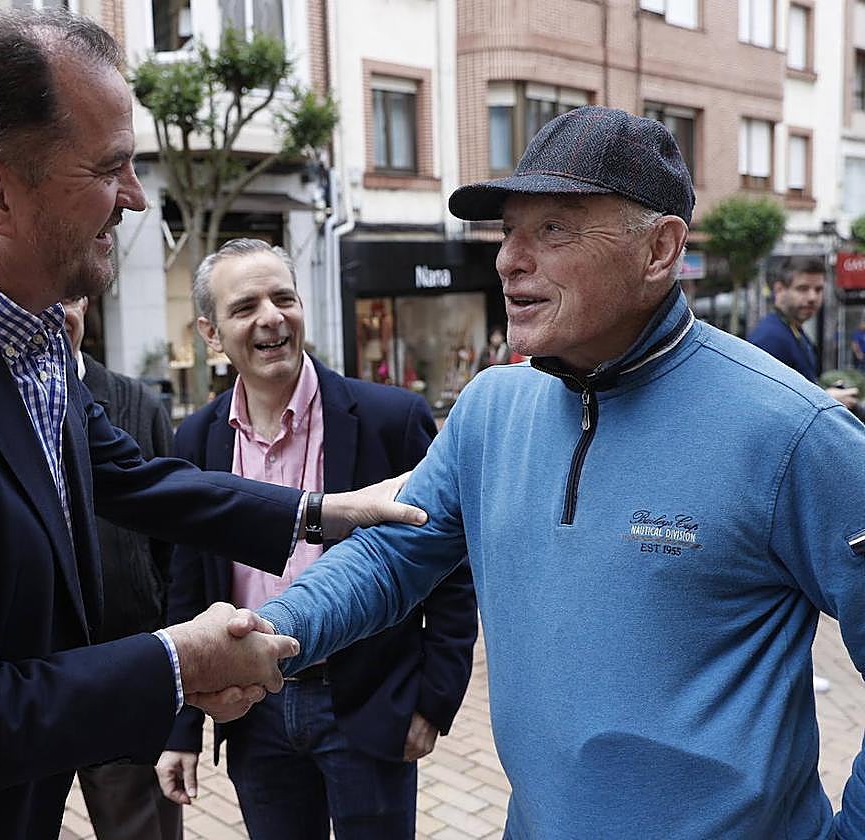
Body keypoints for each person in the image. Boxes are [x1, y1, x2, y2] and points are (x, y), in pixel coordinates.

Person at [0, 10, 425, 840]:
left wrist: (323, 510)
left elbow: (124, 473)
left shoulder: (15, 313)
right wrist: (181, 662)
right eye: (110, 168)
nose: (132, 198)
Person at [255, 105, 865, 838]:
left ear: (660, 250)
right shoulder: (488, 409)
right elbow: (390, 558)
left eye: (553, 229)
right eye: (509, 230)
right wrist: (274, 631)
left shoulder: (792, 432)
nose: (510, 259)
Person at [155, 240, 477, 839]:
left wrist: (434, 699)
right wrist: (182, 731)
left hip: (368, 703)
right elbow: (187, 585)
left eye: (284, 297)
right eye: (245, 306)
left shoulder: (390, 418)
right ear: (211, 333)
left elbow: (449, 564)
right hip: (253, 709)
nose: (271, 317)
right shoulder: (197, 440)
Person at [64, 297, 182, 840]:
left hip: (126, 658)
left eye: (67, 298)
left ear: (86, 303)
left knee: (141, 827)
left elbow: (171, 535)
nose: (56, 312)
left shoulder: (135, 403)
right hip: (24, 673)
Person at [747, 255, 859, 412]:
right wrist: (825, 400)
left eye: (818, 289)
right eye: (802, 288)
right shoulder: (770, 337)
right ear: (779, 290)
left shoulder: (793, 330)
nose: (813, 297)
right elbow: (764, 406)